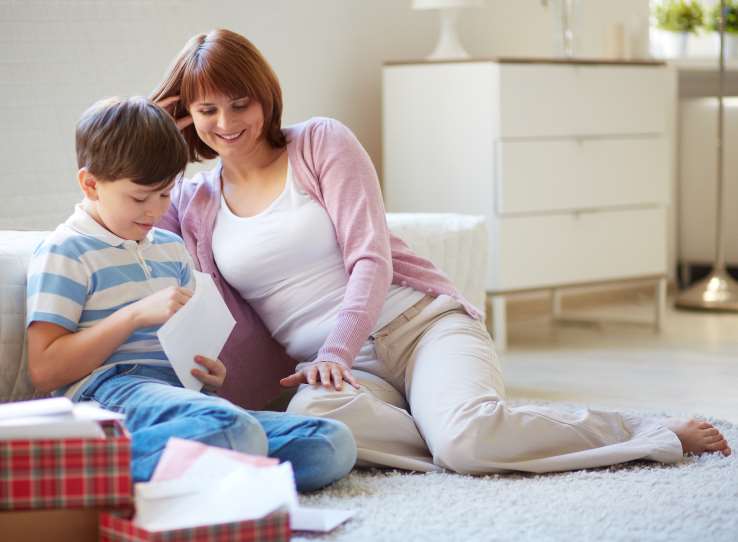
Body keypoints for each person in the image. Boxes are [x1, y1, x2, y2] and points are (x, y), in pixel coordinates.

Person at [151, 28, 731, 476]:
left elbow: (370, 258)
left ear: (266, 98)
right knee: (312, 421)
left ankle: (646, 431)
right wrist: (158, 127)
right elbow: (143, 216)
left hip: (419, 327)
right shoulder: (193, 200)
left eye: (240, 103)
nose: (226, 123)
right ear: (188, 114)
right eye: (207, 110)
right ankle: (453, 426)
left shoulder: (319, 142)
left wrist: (336, 348)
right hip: (341, 377)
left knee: (469, 440)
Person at [25, 96, 356, 491]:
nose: (153, 211)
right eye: (139, 197)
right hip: (111, 392)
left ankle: (203, 471)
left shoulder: (168, 247)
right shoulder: (66, 251)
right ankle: (80, 469)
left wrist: (208, 378)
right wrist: (133, 315)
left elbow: (188, 352)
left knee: (330, 443)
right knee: (235, 430)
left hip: (179, 399)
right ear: (91, 184)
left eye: (164, 195)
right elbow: (44, 370)